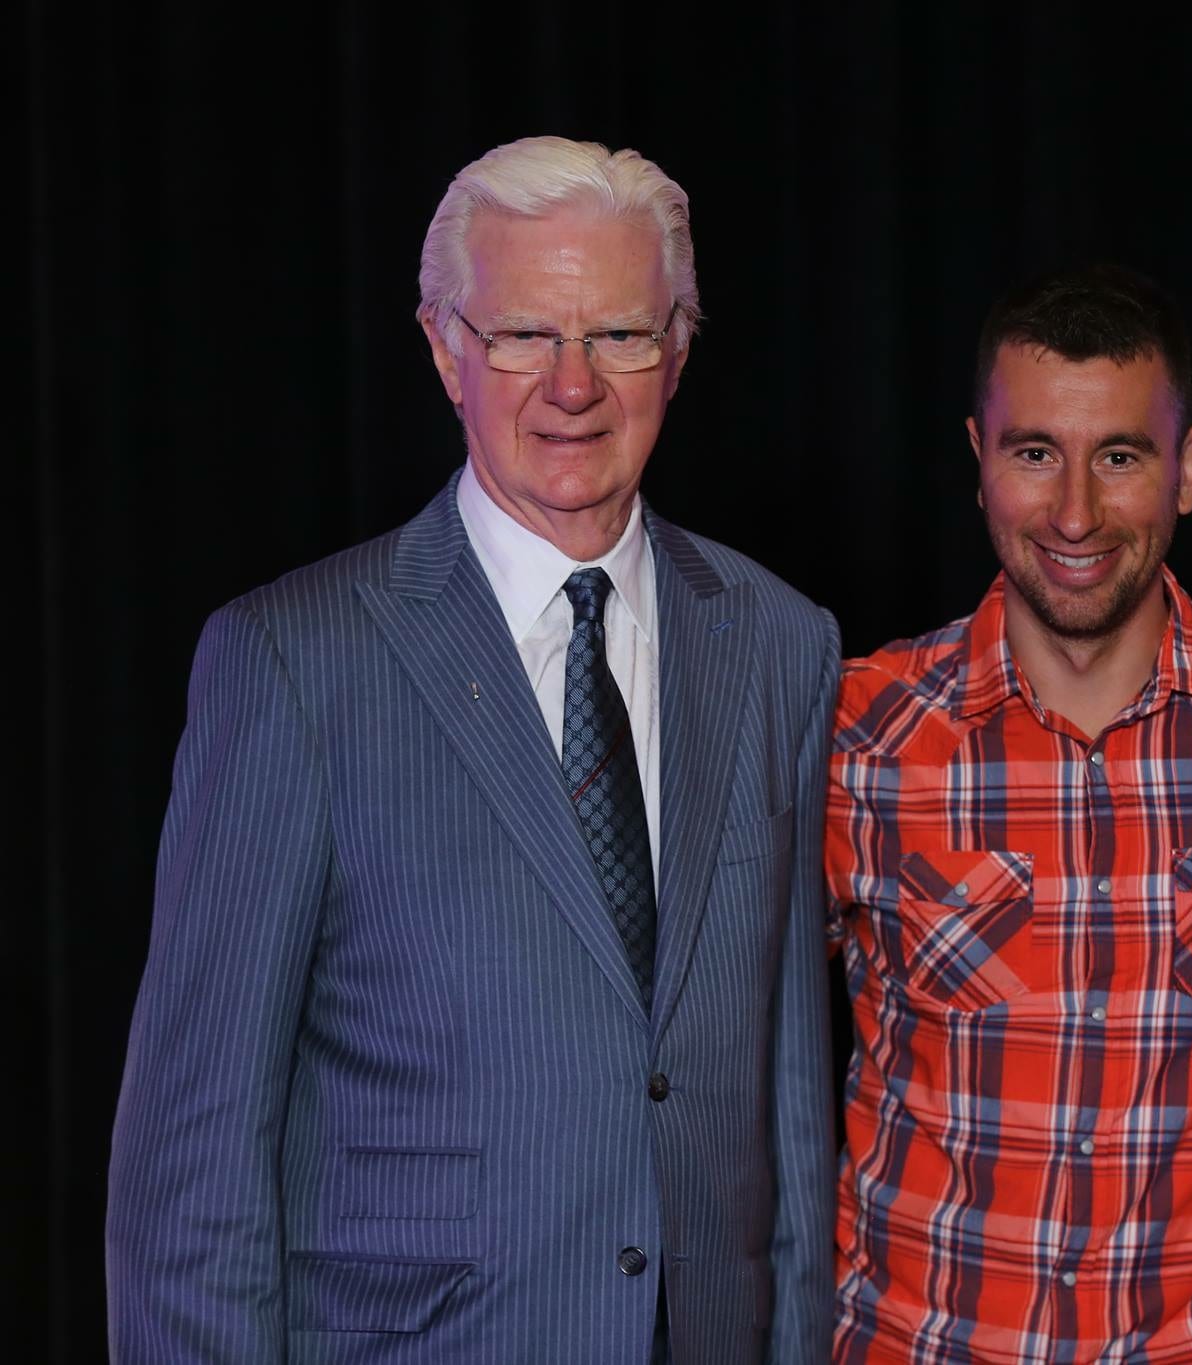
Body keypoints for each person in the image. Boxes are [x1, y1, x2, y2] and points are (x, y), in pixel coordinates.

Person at [105, 137, 839, 1363]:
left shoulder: (779, 643)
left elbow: (790, 1100)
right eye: (520, 336)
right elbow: (192, 1161)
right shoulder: (293, 662)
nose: (572, 385)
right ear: (446, 349)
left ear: (679, 350)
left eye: (617, 334)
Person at [826, 265, 1192, 1361]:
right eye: (1035, 453)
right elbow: (708, 1047)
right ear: (978, 463)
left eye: (1120, 457)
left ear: (1185, 469)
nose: (1075, 513)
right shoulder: (856, 734)